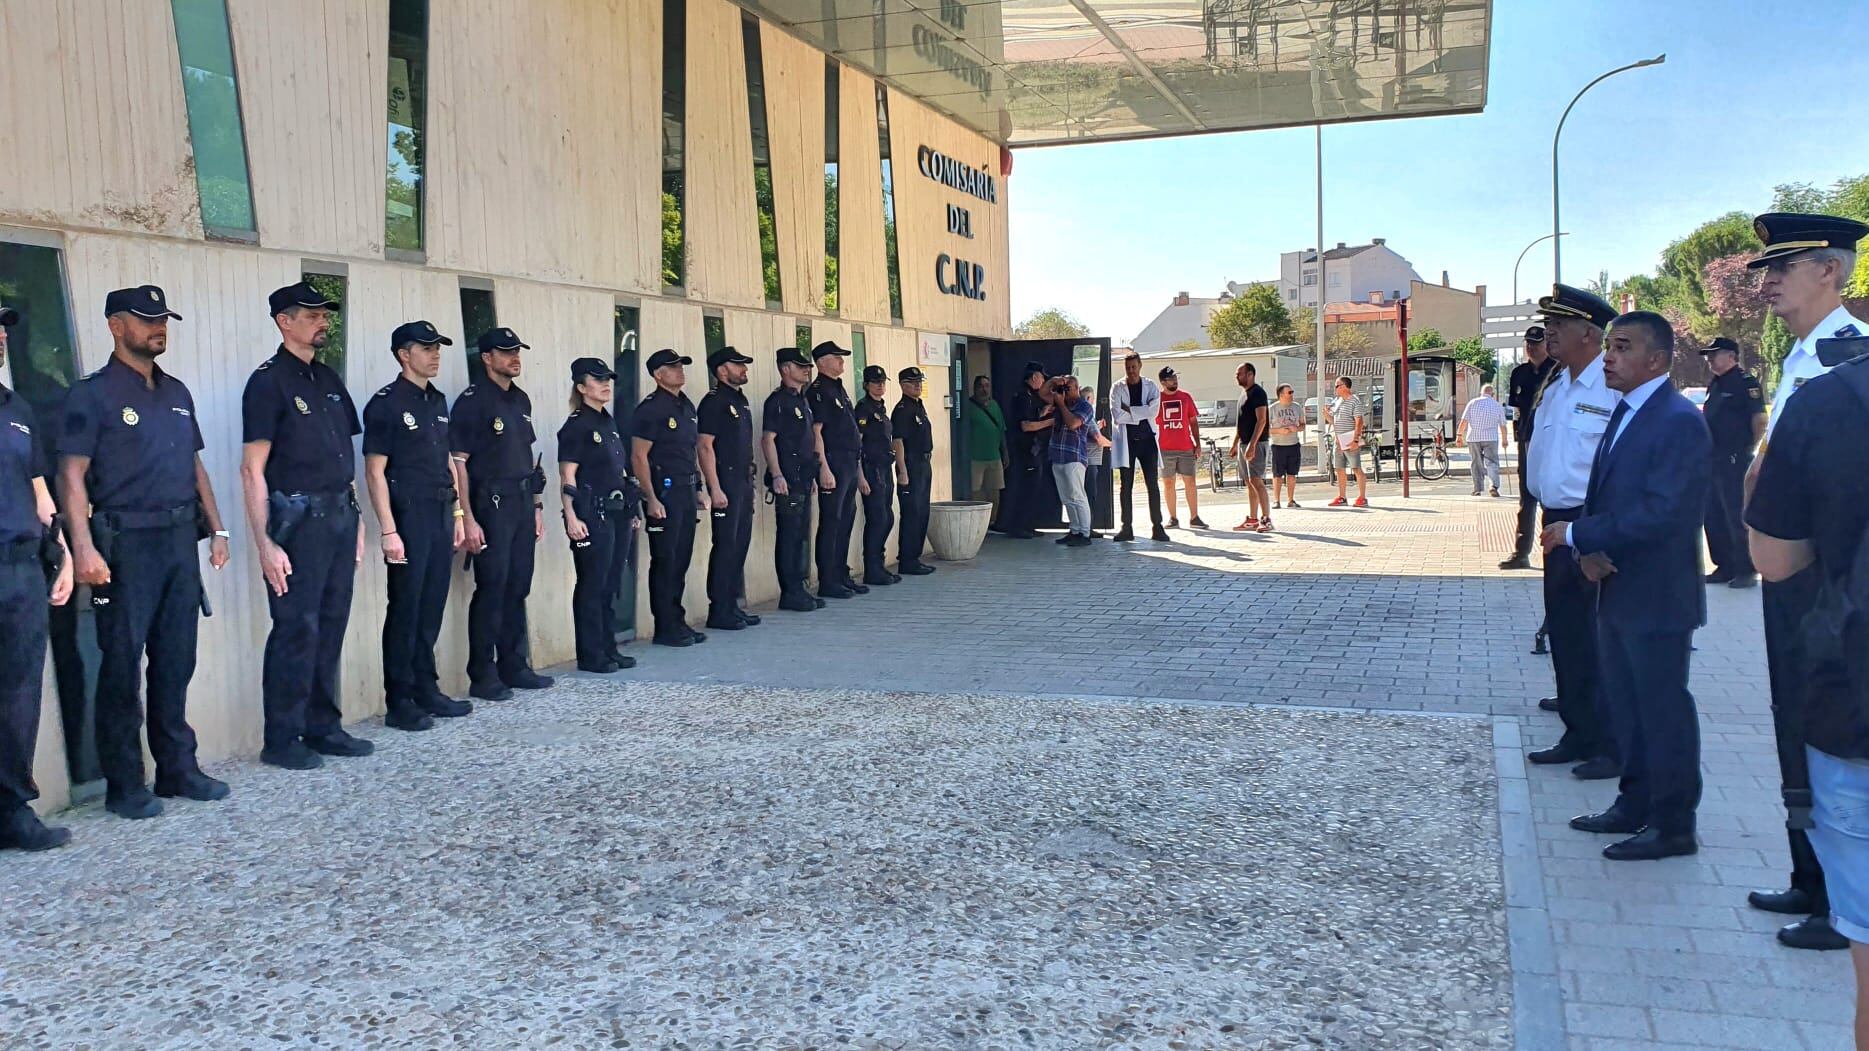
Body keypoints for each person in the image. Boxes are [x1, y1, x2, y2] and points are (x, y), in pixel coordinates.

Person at [1742, 211, 1869, 952]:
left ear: (1831, 270)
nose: (1767, 282)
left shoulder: (1847, 358)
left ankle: (1837, 894)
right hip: (1787, 570)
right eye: (1763, 269)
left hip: (1828, 580)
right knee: (1791, 715)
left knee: (1823, 717)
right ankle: (1810, 872)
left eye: (1782, 268)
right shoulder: (1799, 357)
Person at [59, 285, 232, 816]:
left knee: (176, 660)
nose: (158, 328)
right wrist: (83, 547)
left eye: (163, 320)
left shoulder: (177, 392)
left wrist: (219, 529)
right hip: (125, 545)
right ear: (115, 325)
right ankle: (125, 783)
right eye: (146, 319)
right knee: (121, 667)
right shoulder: (90, 395)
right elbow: (71, 476)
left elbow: (195, 466)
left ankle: (176, 769)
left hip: (179, 538)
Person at [1553, 312, 1710, 861]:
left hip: (1657, 595)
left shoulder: (1677, 420)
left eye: (1621, 347)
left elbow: (1665, 514)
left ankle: (1673, 825)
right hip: (1618, 585)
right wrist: (1594, 551)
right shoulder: (1628, 411)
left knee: (1661, 710)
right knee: (1628, 706)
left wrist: (1577, 532)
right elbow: (1611, 496)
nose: (1608, 358)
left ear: (1657, 360)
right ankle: (1633, 803)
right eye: (1608, 347)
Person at [240, 283, 373, 770]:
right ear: (284, 321)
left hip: (339, 515)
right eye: (312, 314)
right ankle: (282, 737)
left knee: (331, 625)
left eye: (324, 314)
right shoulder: (268, 382)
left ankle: (323, 726)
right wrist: (265, 544)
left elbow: (346, 460)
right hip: (296, 522)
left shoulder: (329, 379)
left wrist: (356, 517)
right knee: (296, 627)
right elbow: (251, 469)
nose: (323, 322)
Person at [1524, 283, 1622, 781]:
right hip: (1555, 520)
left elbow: (1619, 467)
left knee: (1598, 636)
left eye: (1559, 325)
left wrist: (1596, 536)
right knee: (1565, 630)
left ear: (1589, 333)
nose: (1550, 333)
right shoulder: (1558, 384)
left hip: (1590, 520)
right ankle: (1578, 729)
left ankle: (1610, 742)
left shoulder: (1609, 387)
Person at [361, 321, 473, 732]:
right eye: (426, 348)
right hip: (407, 513)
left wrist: (459, 513)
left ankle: (427, 688)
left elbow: (447, 461)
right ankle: (401, 699)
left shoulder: (437, 400)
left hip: (441, 510)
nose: (435, 354)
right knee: (405, 608)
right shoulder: (386, 404)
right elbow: (375, 472)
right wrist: (388, 530)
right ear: (403, 354)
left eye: (437, 347)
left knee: (431, 606)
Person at [0, 300, 74, 850]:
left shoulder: (17, 408)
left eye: (0, 329)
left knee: (19, 694)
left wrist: (64, 552)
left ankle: (10, 812)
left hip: (21, 570)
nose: (0, 338)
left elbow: (41, 493)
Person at [450, 327, 553, 702]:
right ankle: (483, 673)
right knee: (492, 588)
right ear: (487, 358)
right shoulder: (472, 402)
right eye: (506, 352)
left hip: (522, 502)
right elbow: (458, 464)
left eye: (517, 351)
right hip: (490, 505)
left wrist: (538, 506)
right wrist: (466, 516)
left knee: (518, 586)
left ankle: (515, 664)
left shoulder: (520, 400)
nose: (514, 357)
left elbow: (527, 456)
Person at [557, 357, 639, 671]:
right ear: (581, 387)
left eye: (608, 379)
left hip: (617, 512)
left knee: (610, 582)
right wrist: (571, 517)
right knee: (592, 583)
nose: (606, 385)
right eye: (598, 379)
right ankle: (591, 654)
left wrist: (632, 510)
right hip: (591, 513)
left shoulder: (608, 421)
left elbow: (619, 471)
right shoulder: (577, 425)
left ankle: (608, 646)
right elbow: (568, 476)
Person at [631, 348, 707, 646]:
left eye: (681, 366)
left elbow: (690, 451)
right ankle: (665, 626)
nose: (680, 371)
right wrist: (650, 497)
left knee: (681, 559)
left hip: (686, 489)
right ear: (658, 374)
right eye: (673, 367)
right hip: (664, 492)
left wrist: (698, 486)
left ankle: (677, 620)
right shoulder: (651, 409)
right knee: (665, 559)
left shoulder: (685, 405)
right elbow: (639, 456)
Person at [698, 346, 760, 628]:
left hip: (743, 481)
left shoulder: (739, 400)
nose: (744, 369)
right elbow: (705, 446)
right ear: (722, 370)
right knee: (725, 545)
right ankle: (719, 609)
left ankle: (732, 605)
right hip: (726, 481)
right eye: (738, 365)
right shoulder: (714, 402)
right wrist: (715, 487)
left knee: (740, 544)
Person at [1699, 336, 1764, 588]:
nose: (1710, 360)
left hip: (1734, 458)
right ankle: (1724, 565)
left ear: (1731, 356)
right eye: (1708, 356)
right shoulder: (1716, 384)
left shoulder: (1744, 382)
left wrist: (1746, 447)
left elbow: (1759, 419)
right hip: (1713, 458)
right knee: (1713, 514)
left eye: (1714, 355)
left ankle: (1745, 569)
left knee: (1735, 514)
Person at [762, 346, 822, 611]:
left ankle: (799, 588)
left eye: (807, 366)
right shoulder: (777, 401)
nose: (807, 370)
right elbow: (768, 440)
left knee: (799, 537)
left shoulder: (802, 399)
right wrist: (776, 474)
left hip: (803, 477)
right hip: (788, 478)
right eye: (801, 366)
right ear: (786, 369)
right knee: (789, 537)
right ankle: (790, 592)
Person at [807, 341, 866, 598]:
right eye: (836, 357)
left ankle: (841, 573)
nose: (842, 361)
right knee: (831, 522)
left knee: (845, 520)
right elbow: (816, 433)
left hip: (850, 461)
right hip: (834, 462)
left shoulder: (839, 389)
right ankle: (828, 579)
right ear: (821, 362)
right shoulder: (819, 391)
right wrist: (824, 468)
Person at [1502, 326, 1558, 569]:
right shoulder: (1519, 373)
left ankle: (1552, 549)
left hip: (1550, 440)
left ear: (1546, 344)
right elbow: (1515, 409)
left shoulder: (1556, 371)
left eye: (1536, 343)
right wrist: (1518, 437)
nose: (1531, 347)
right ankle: (1521, 551)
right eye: (1528, 343)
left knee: (1550, 497)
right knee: (1527, 497)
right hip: (1526, 438)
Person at [1109, 352, 1163, 542]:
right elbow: (1117, 415)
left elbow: (1154, 411)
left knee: (1153, 485)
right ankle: (1127, 527)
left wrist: (1130, 410)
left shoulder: (1150, 386)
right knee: (1126, 486)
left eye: (1134, 367)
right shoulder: (1117, 388)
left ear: (1140, 366)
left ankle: (1158, 527)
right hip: (1127, 442)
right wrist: (1142, 410)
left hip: (1148, 441)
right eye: (1128, 368)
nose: (1131, 371)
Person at [854, 365, 898, 585]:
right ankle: (872, 568)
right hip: (871, 469)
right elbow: (857, 445)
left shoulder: (881, 408)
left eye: (882, 382)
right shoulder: (863, 409)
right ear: (866, 385)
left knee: (887, 518)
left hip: (885, 468)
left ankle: (878, 564)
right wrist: (860, 476)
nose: (880, 386)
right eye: (875, 382)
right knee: (877, 519)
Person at [892, 367, 937, 574]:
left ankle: (915, 557)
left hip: (923, 463)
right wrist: (902, 471)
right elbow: (898, 442)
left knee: (921, 512)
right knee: (912, 513)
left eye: (920, 381)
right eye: (913, 382)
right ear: (903, 385)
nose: (918, 385)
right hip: (910, 465)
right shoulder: (902, 409)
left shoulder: (918, 405)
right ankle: (907, 560)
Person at [1003, 363, 1053, 539]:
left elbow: (1030, 418)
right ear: (1034, 377)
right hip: (1024, 451)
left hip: (1032, 450)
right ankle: (1018, 526)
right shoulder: (1023, 396)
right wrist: (1051, 422)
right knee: (1025, 489)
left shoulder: (1030, 396)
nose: (1044, 381)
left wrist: (1042, 413)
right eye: (1042, 377)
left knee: (1033, 489)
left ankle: (1028, 525)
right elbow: (1025, 425)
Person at [1047, 374, 1095, 546]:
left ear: (1077, 388)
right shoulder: (1060, 402)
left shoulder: (1085, 406)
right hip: (1057, 456)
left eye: (1069, 388)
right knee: (1066, 496)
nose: (1065, 392)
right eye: (1064, 388)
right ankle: (1074, 530)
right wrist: (1053, 382)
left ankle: (1085, 533)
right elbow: (1043, 394)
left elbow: (1073, 423)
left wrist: (1060, 404)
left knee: (1077, 495)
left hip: (1074, 457)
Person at [1155, 367, 1206, 529]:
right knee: (1168, 483)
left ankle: (1194, 517)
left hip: (1185, 447)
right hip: (1164, 448)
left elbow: (1193, 422)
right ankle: (1173, 517)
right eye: (1170, 378)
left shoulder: (1185, 397)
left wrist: (1197, 444)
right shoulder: (1156, 399)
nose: (1175, 381)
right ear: (1163, 382)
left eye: (1176, 377)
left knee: (1190, 481)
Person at [1230, 362, 1270, 532]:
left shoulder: (1258, 393)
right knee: (1249, 481)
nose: (1237, 376)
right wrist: (1235, 444)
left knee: (1256, 480)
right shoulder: (1243, 394)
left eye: (1240, 373)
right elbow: (1242, 423)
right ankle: (1252, 519)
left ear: (1250, 375)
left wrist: (1252, 445)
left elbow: (1261, 420)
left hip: (1257, 443)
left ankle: (1266, 520)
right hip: (1243, 443)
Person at [964, 375, 1007, 528]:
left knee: (994, 494)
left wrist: (1005, 453)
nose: (984, 389)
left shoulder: (995, 405)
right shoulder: (967, 406)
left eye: (987, 385)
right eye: (981, 386)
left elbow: (1001, 430)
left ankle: (990, 524)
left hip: (994, 457)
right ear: (975, 388)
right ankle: (976, 525)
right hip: (975, 458)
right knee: (976, 493)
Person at [1458, 383, 1509, 497]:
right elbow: (1503, 425)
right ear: (1493, 394)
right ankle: (1493, 486)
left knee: (1476, 463)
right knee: (1492, 463)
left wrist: (1459, 435)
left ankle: (1477, 489)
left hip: (1474, 438)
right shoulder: (1497, 405)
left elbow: (1464, 421)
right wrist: (1505, 440)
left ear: (1481, 393)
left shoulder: (1472, 403)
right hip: (1491, 438)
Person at [1327, 377, 1370, 508]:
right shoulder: (1338, 402)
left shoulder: (1354, 402)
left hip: (1350, 439)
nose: (1335, 388)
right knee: (1339, 469)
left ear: (1344, 386)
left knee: (1356, 468)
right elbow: (1334, 421)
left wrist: (1356, 439)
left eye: (1337, 385)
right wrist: (1326, 415)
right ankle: (1342, 496)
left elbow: (1359, 422)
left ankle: (1362, 497)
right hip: (1338, 440)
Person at [1268, 384, 1305, 509]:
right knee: (1277, 474)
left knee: (1292, 474)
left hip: (1293, 444)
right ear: (1281, 394)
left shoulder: (1297, 407)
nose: (1291, 395)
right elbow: (1264, 429)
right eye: (1289, 392)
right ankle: (1276, 500)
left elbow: (1303, 425)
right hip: (1278, 445)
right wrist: (1279, 431)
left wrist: (1297, 428)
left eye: (1292, 392)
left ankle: (1291, 500)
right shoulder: (1272, 409)